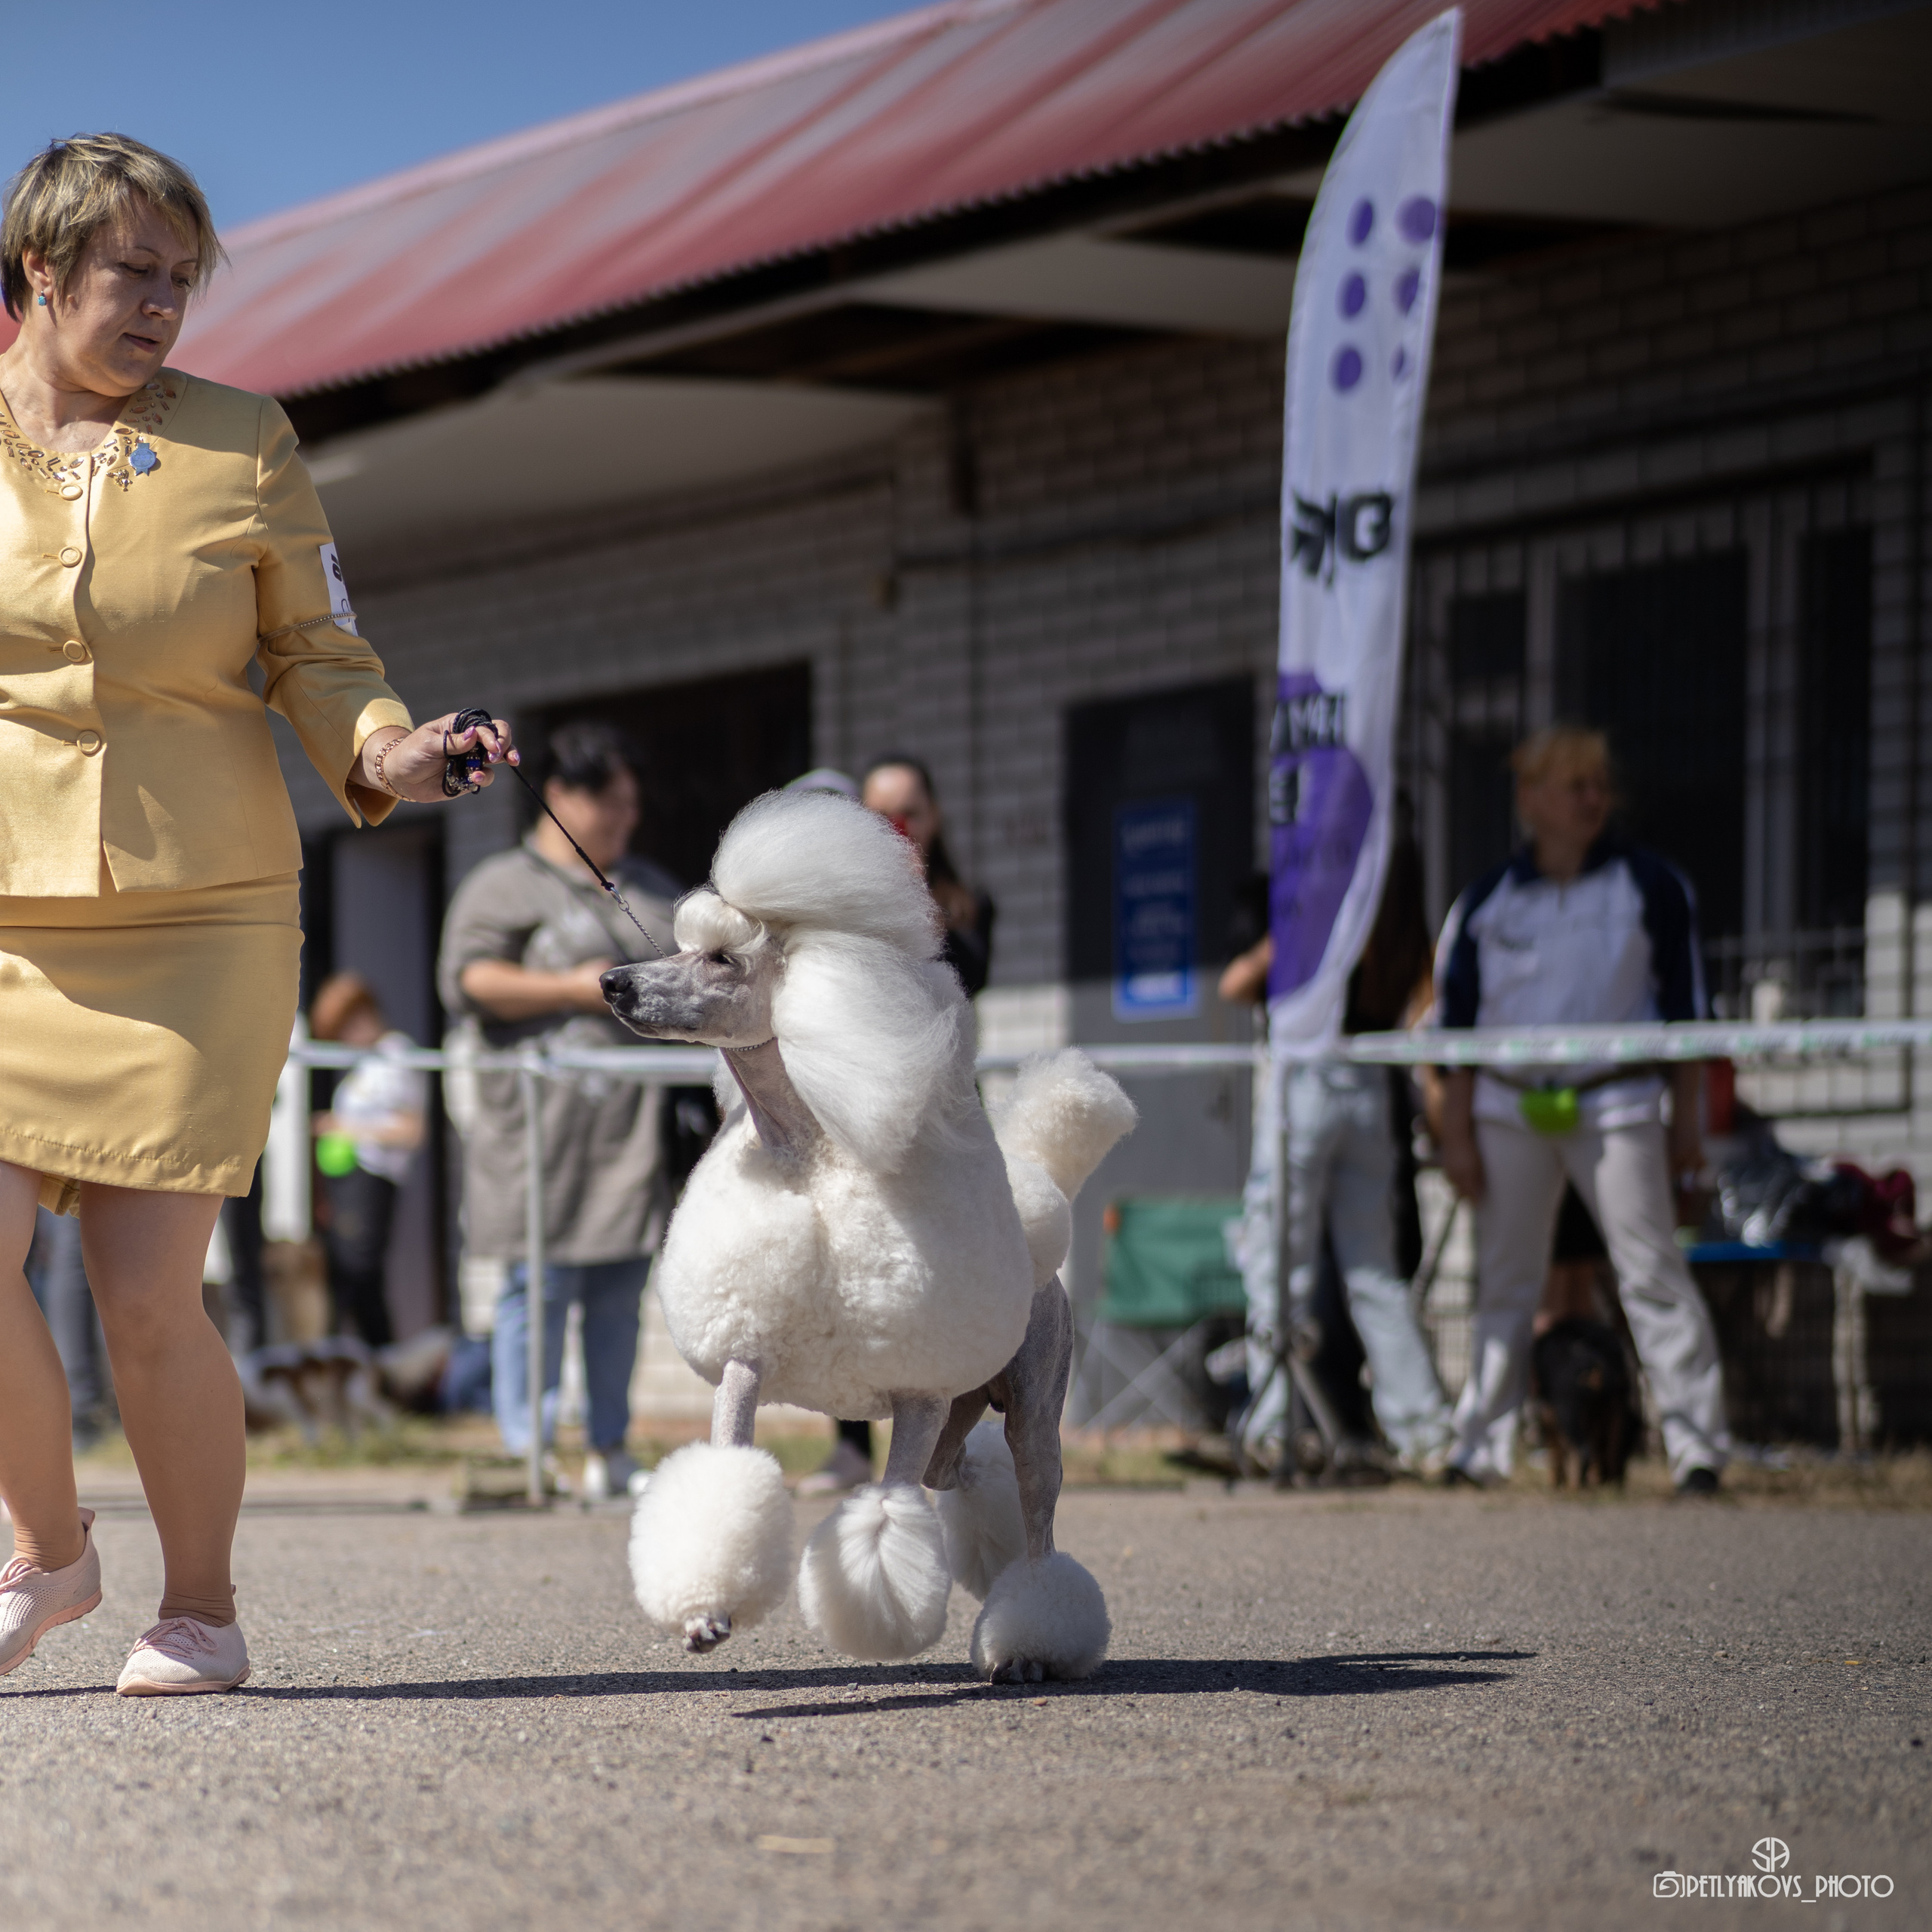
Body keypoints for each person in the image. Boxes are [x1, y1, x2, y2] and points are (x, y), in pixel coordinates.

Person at [0, 134, 515, 1694]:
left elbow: (317, 647)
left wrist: (387, 749)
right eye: (128, 275)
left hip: (199, 907)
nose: (161, 306)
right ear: (39, 270)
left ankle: (203, 1607)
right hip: (4, 910)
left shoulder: (242, 442)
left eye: (180, 278)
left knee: (151, 1296)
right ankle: (50, 1551)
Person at [1433, 724, 1730, 1493]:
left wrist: (1688, 1123)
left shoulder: (1651, 885)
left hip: (1618, 1099)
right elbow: (1454, 1032)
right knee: (1503, 1282)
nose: (1593, 798)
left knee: (1651, 1272)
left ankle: (1697, 1449)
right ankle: (1479, 1450)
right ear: (1530, 799)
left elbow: (1687, 1016)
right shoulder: (1483, 903)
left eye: (1600, 784)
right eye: (1575, 785)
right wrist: (1454, 1133)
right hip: (1507, 1108)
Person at [438, 722, 677, 1503]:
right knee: (533, 1292)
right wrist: (572, 989)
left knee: (617, 1292)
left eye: (633, 805)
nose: (625, 819)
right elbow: (468, 978)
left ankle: (611, 1446)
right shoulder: (501, 884)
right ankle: (527, 1451)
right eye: (612, 802)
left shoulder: (646, 888)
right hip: (534, 1137)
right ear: (564, 795)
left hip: (626, 1138)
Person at [1223, 823, 1455, 1478]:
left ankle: (1272, 1429)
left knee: (1278, 1264)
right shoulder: (1406, 918)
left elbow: (1237, 983)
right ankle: (1425, 1432)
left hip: (1308, 1083)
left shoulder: (1326, 910)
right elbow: (1424, 1007)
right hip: (1371, 1087)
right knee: (1375, 1275)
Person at [798, 753, 998, 1496]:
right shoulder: (847, 905)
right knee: (853, 1266)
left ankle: (948, 1437)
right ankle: (851, 1445)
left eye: (908, 812)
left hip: (941, 1109)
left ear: (934, 816)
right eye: (880, 815)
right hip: (862, 1107)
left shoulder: (963, 901)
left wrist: (912, 890)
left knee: (940, 1269)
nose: (896, 827)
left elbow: (968, 973)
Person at [307, 974, 426, 1351]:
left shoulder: (395, 1053)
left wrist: (342, 1125)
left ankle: (383, 1370)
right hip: (347, 1181)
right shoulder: (367, 1063)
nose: (346, 1038)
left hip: (373, 1179)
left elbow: (410, 1130)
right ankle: (358, 1371)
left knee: (361, 1278)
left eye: (347, 1026)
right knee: (347, 1279)